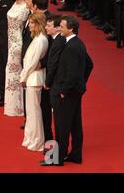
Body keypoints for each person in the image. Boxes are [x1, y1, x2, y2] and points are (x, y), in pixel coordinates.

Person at [42, 16, 93, 166]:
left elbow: (72, 74)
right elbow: (90, 65)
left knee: (61, 126)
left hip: (66, 93)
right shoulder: (78, 43)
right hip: (75, 92)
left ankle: (57, 158)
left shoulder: (71, 47)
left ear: (70, 29)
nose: (60, 28)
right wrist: (81, 84)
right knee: (75, 125)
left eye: (62, 26)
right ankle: (76, 155)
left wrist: (65, 90)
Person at [20, 12, 48, 152]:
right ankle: (30, 138)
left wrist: (23, 77)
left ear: (38, 24)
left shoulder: (41, 40)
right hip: (31, 78)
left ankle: (37, 142)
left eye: (32, 23)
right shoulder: (37, 38)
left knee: (35, 113)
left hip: (34, 79)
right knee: (30, 113)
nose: (29, 25)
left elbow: (32, 63)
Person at [4, 0, 29, 117]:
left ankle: (18, 107)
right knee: (12, 73)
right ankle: (14, 105)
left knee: (14, 73)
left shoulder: (25, 7)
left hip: (17, 44)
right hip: (10, 42)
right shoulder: (14, 4)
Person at [43, 14, 66, 145]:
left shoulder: (58, 42)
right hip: (60, 86)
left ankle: (57, 155)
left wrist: (47, 82)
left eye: (49, 25)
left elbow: (53, 64)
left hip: (57, 87)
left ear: (57, 28)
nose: (46, 27)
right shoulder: (56, 40)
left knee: (59, 122)